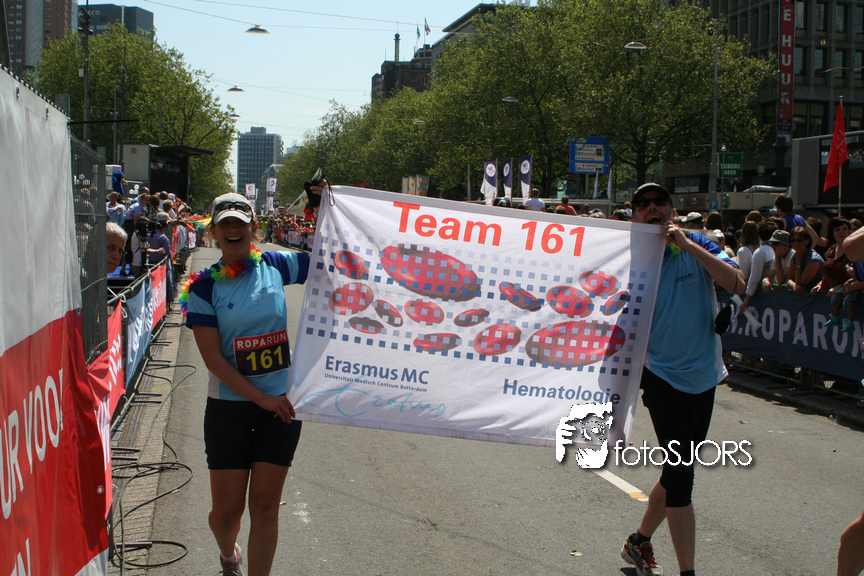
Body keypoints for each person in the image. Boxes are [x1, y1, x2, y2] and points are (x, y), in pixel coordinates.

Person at [180, 189, 322, 576]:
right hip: (229, 410)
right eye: (224, 223)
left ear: (253, 229)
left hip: (281, 407)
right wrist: (259, 398)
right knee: (226, 515)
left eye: (240, 223)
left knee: (264, 506)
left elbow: (329, 262)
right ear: (213, 232)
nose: (232, 230)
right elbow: (213, 361)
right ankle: (228, 553)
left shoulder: (276, 264)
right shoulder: (202, 288)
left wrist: (324, 210)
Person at [620, 183, 744, 576]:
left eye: (660, 202)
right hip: (661, 376)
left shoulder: (696, 243)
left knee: (677, 471)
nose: (652, 209)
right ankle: (687, 571)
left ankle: (639, 541)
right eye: (643, 205)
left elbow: (737, 283)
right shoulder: (628, 254)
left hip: (703, 374)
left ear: (672, 210)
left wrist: (688, 245)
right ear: (634, 214)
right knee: (681, 475)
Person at [779, 226, 823, 293]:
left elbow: (800, 284)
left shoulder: (814, 259)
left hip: (814, 295)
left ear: (807, 241)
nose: (796, 243)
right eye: (793, 241)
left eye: (799, 240)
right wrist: (794, 286)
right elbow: (789, 279)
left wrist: (798, 262)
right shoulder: (794, 256)